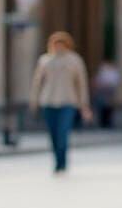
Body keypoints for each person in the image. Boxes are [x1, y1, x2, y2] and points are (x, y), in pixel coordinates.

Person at [29, 31, 92, 173]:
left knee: (63, 133)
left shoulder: (75, 60)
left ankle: (62, 162)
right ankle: (57, 160)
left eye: (61, 44)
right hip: (48, 101)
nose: (58, 47)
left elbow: (81, 83)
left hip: (68, 102)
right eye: (55, 44)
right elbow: (37, 82)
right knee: (53, 134)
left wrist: (84, 105)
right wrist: (34, 100)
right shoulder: (45, 60)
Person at [91, 59, 120, 129]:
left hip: (109, 91)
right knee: (101, 108)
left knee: (108, 108)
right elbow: (97, 81)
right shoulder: (102, 71)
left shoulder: (113, 72)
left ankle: (107, 122)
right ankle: (102, 122)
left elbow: (114, 82)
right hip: (102, 91)